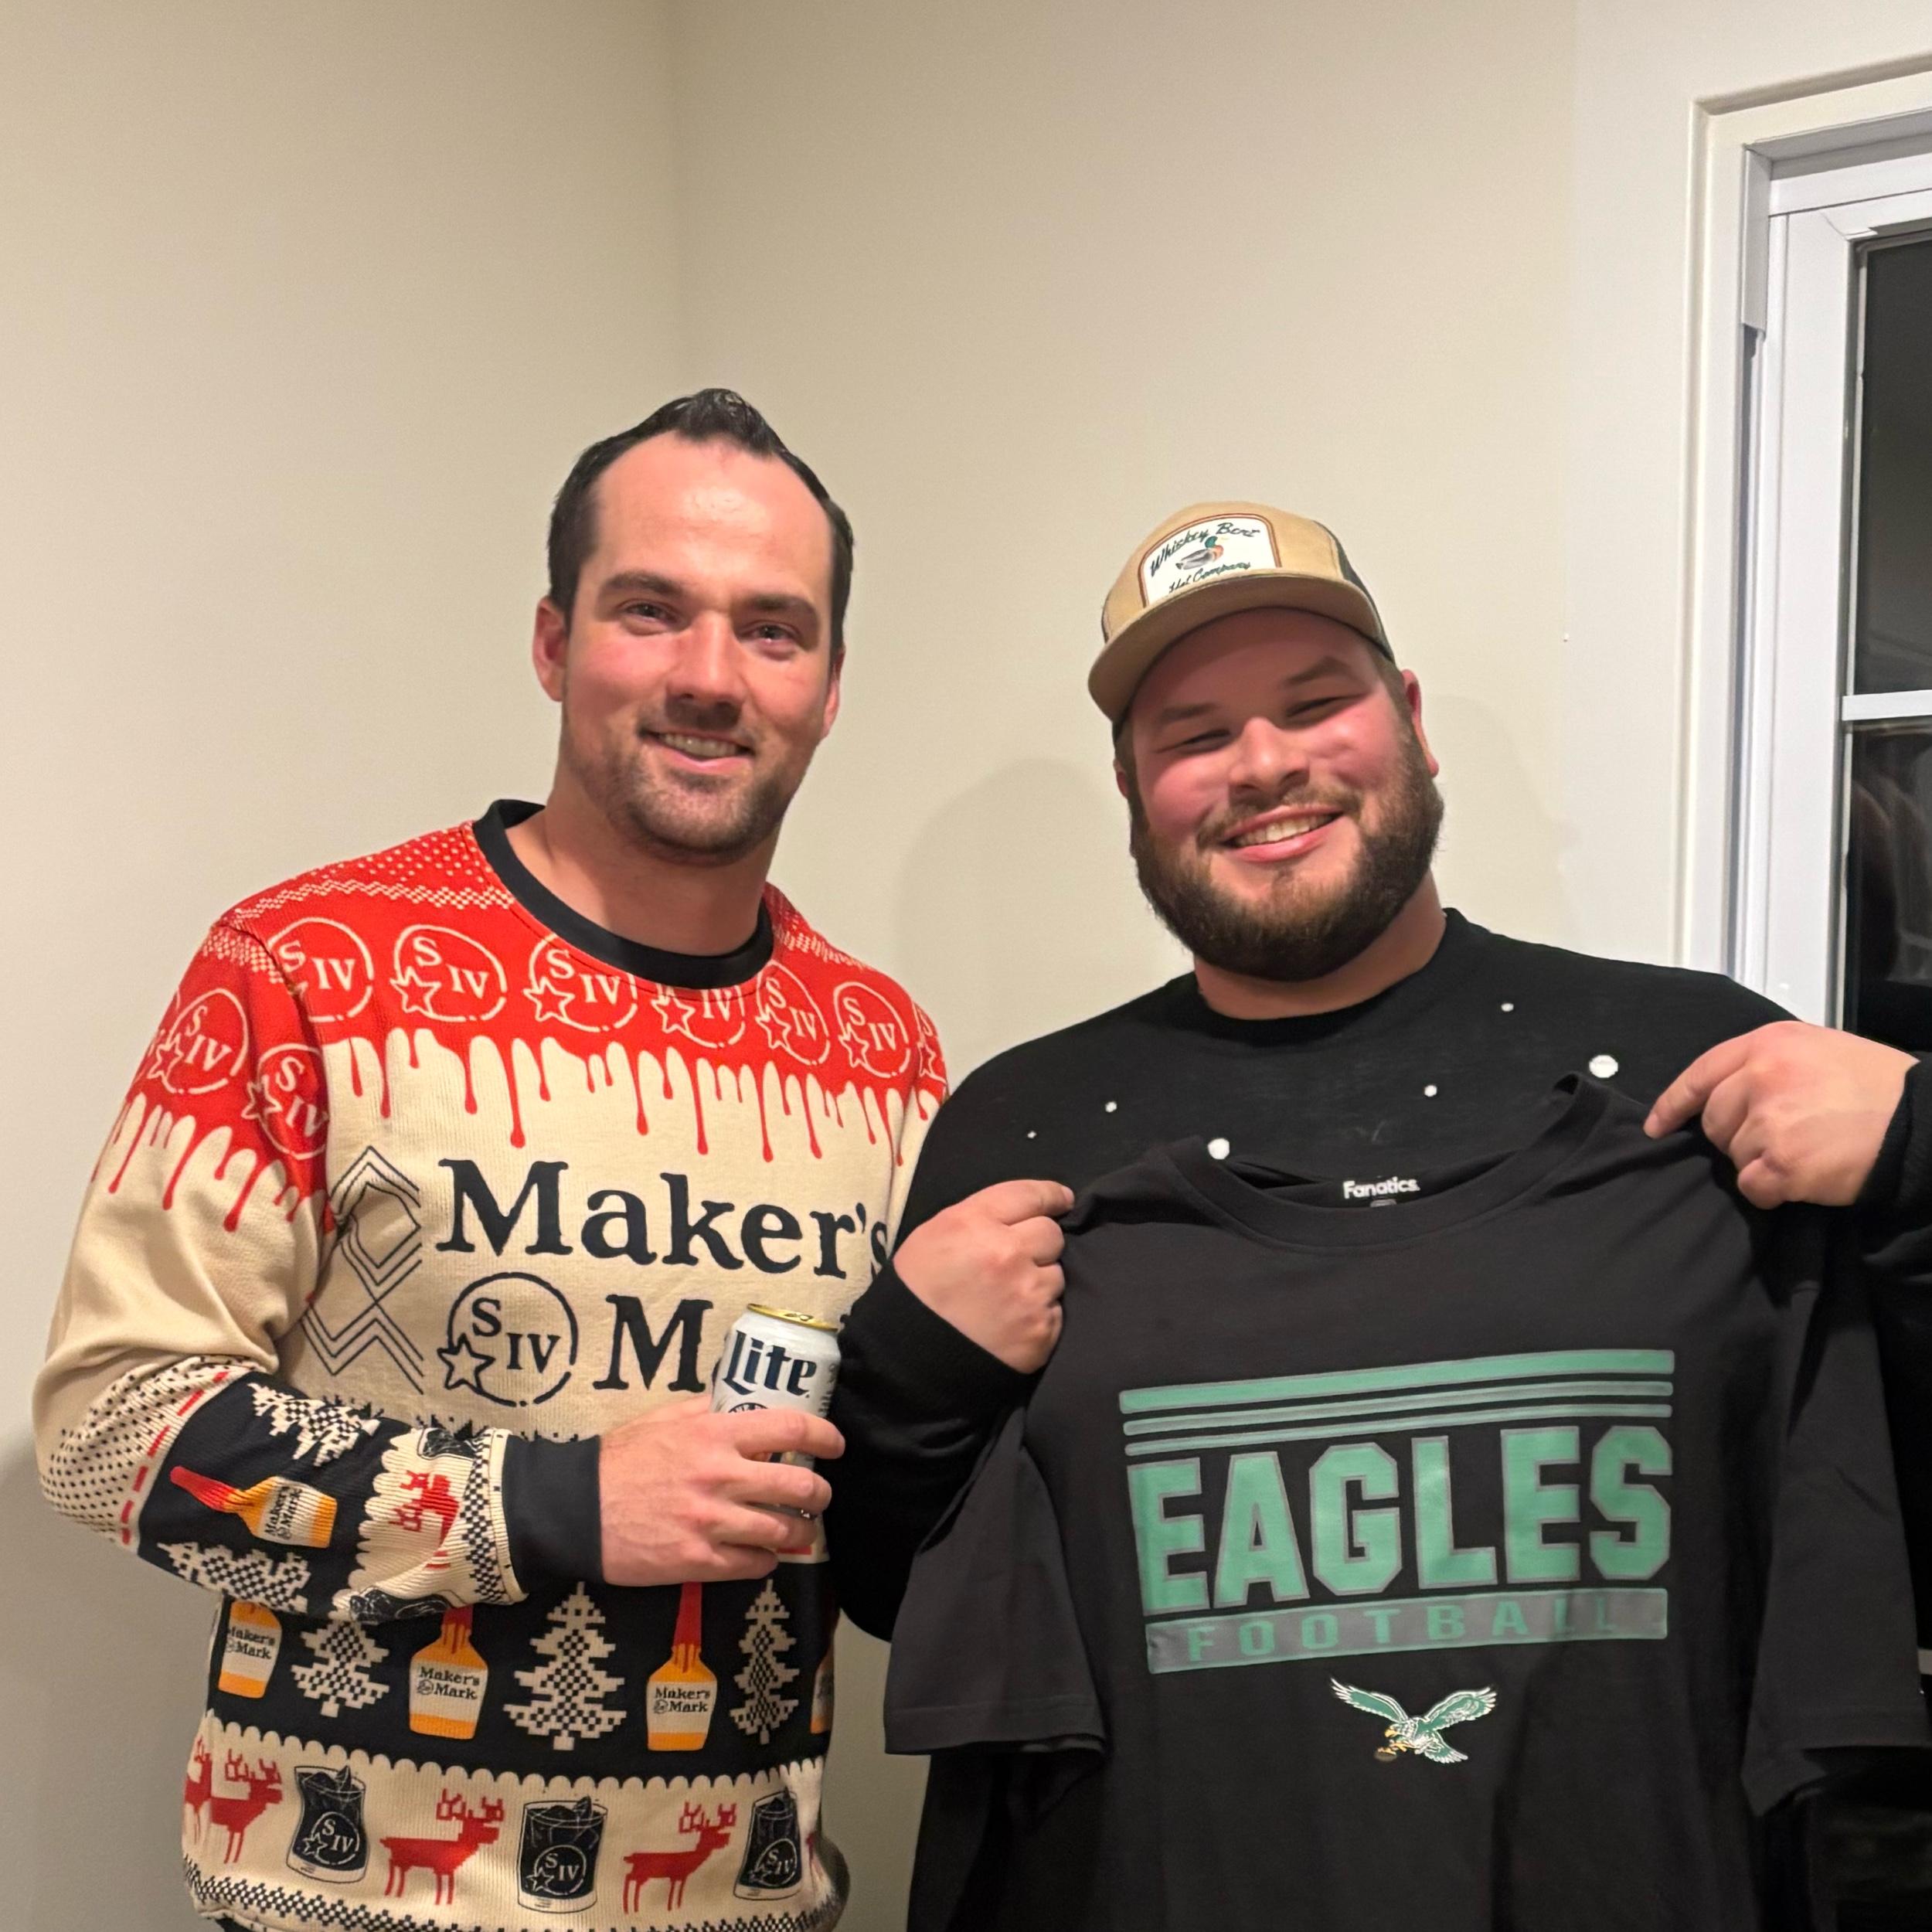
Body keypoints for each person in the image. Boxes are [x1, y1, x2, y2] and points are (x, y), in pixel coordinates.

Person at [824, 501, 1932, 1927]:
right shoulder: (1029, 1130)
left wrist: (1920, 1153)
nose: (1263, 764)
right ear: (1135, 789)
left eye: (1313, 705)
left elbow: (1884, 1517)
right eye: (1194, 734)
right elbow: (896, 1590)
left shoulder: (1693, 1072)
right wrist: (917, 1366)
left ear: (1408, 718)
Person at [34, 389, 944, 1932]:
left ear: (831, 685)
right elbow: (111, 1426)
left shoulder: (888, 1048)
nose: (709, 674)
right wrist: (555, 1498)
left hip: (753, 1901)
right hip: (349, 1901)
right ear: (552, 641)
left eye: (772, 629)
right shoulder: (303, 963)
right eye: (649, 610)